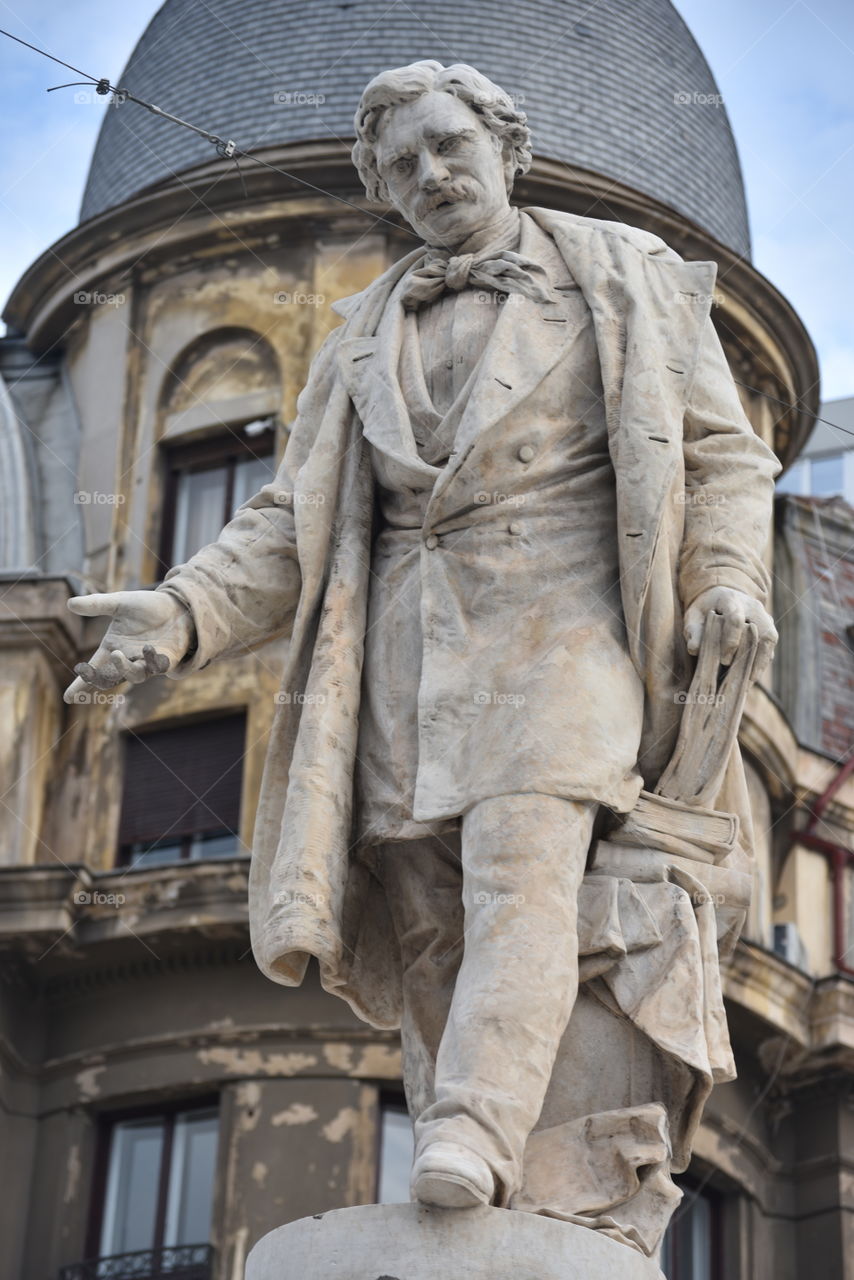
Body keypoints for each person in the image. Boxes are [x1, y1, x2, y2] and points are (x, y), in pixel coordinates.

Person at [65, 60, 778, 1217]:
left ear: (506, 142)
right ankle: (474, 1152)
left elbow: (719, 456)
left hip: (563, 637)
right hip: (402, 660)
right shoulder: (361, 334)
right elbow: (289, 518)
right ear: (383, 191)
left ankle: (473, 1130)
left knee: (522, 880)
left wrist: (729, 577)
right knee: (430, 925)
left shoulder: (624, 277)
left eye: (447, 146)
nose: (430, 174)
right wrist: (181, 611)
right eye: (401, 165)